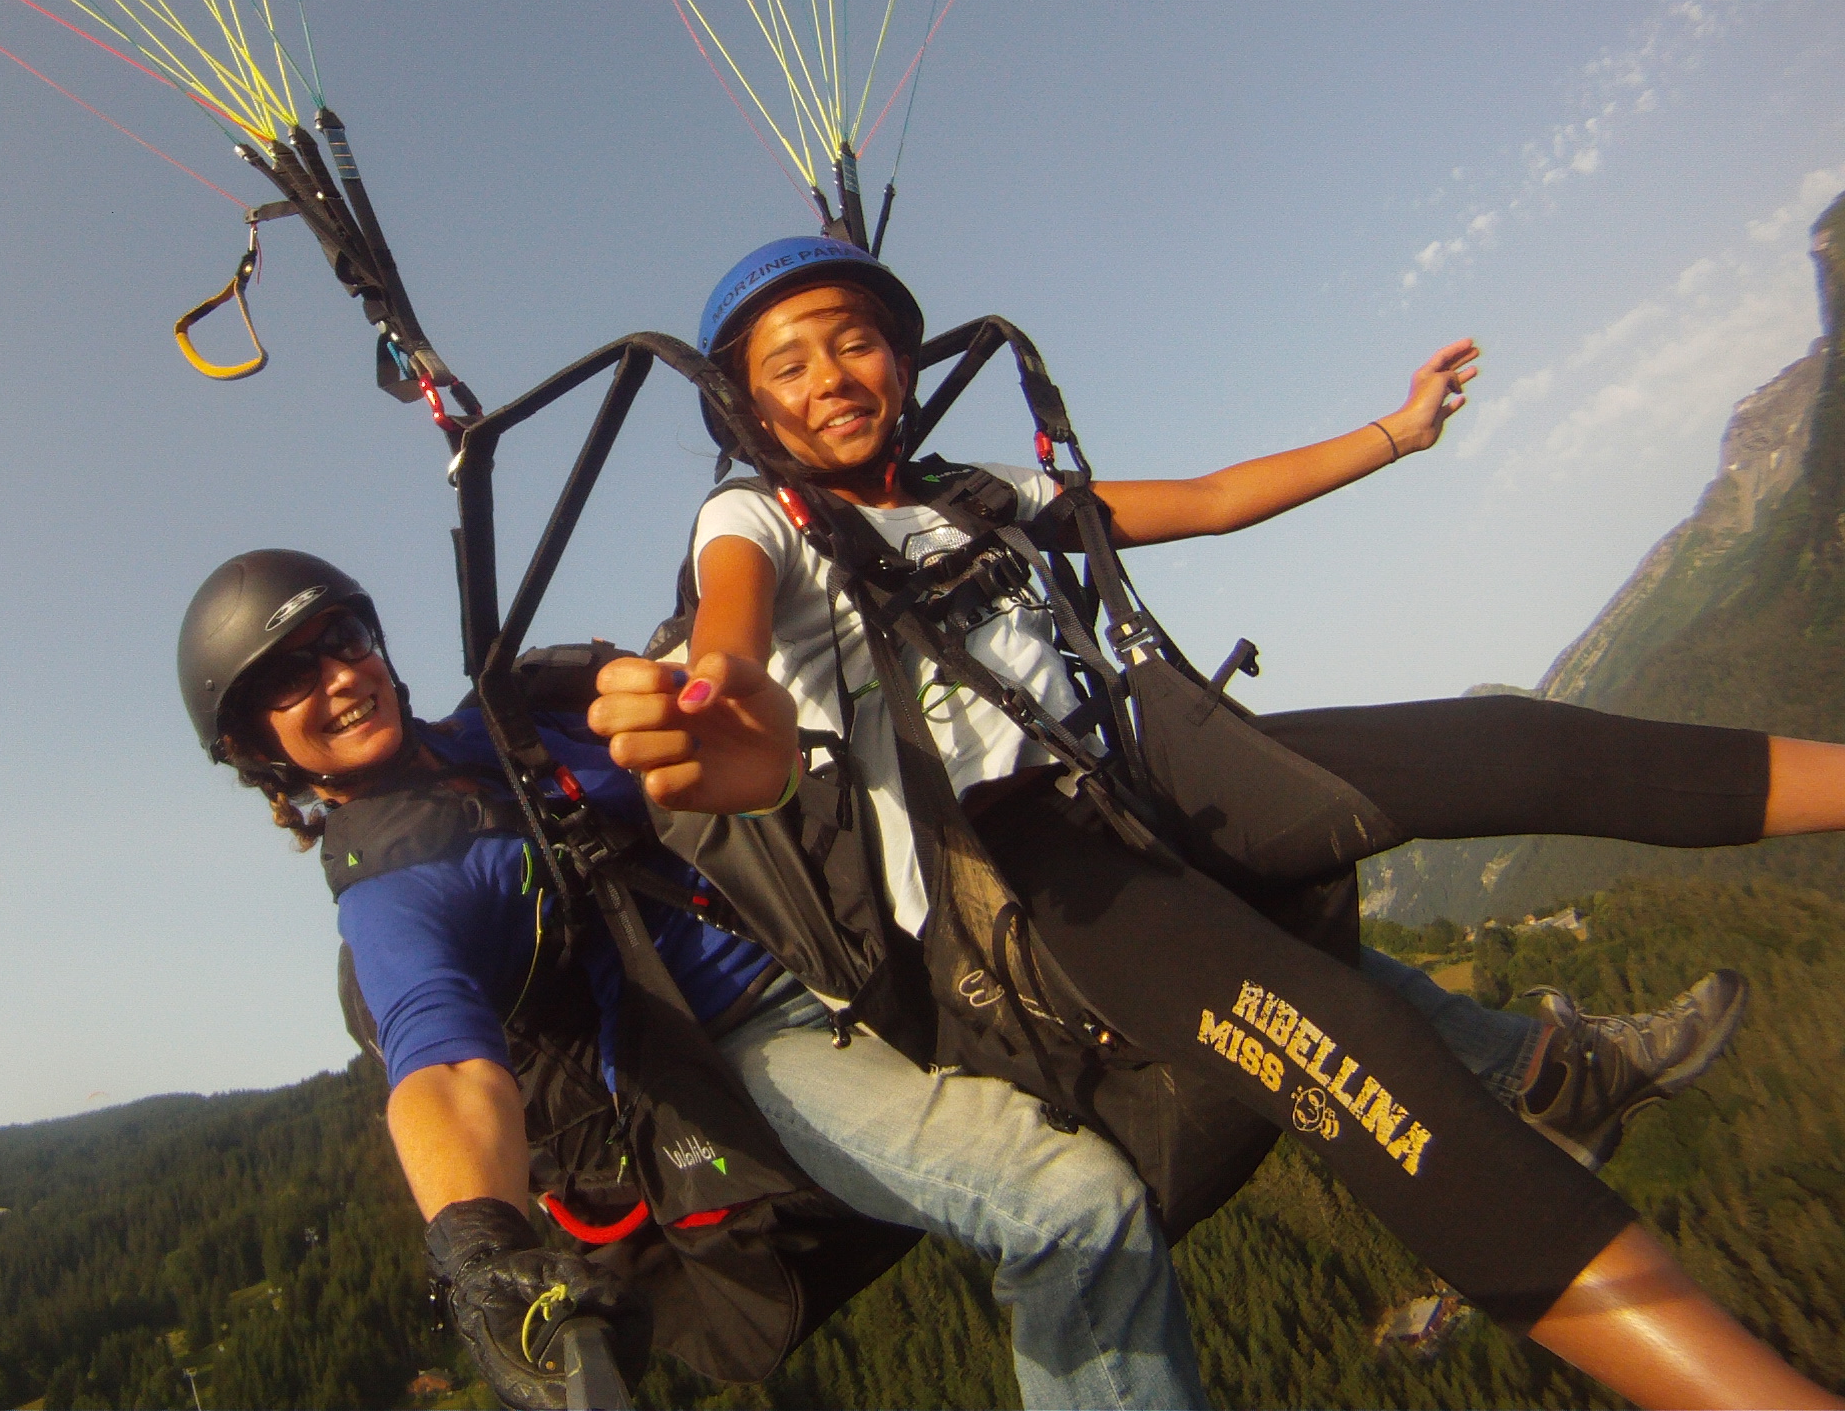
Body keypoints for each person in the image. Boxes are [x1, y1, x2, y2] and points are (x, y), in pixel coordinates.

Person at [588, 234, 1845, 1411]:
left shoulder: (974, 492)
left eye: (852, 340)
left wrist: (1393, 436)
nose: (831, 377)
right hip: (1022, 882)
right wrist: (721, 740)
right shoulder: (753, 521)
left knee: (1523, 742)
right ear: (751, 412)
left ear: (901, 361)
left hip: (1141, 791)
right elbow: (737, 666)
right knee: (1359, 1053)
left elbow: (1211, 496)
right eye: (788, 364)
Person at [178, 546, 1746, 1410]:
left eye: (340, 641)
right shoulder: (395, 878)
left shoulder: (516, 703)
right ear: (264, 756)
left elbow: (718, 709)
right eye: (290, 689)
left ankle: (1535, 1074)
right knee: (1067, 1210)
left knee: (1191, 923)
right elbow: (441, 1063)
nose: (336, 678)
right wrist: (478, 1247)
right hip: (760, 1043)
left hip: (852, 921)